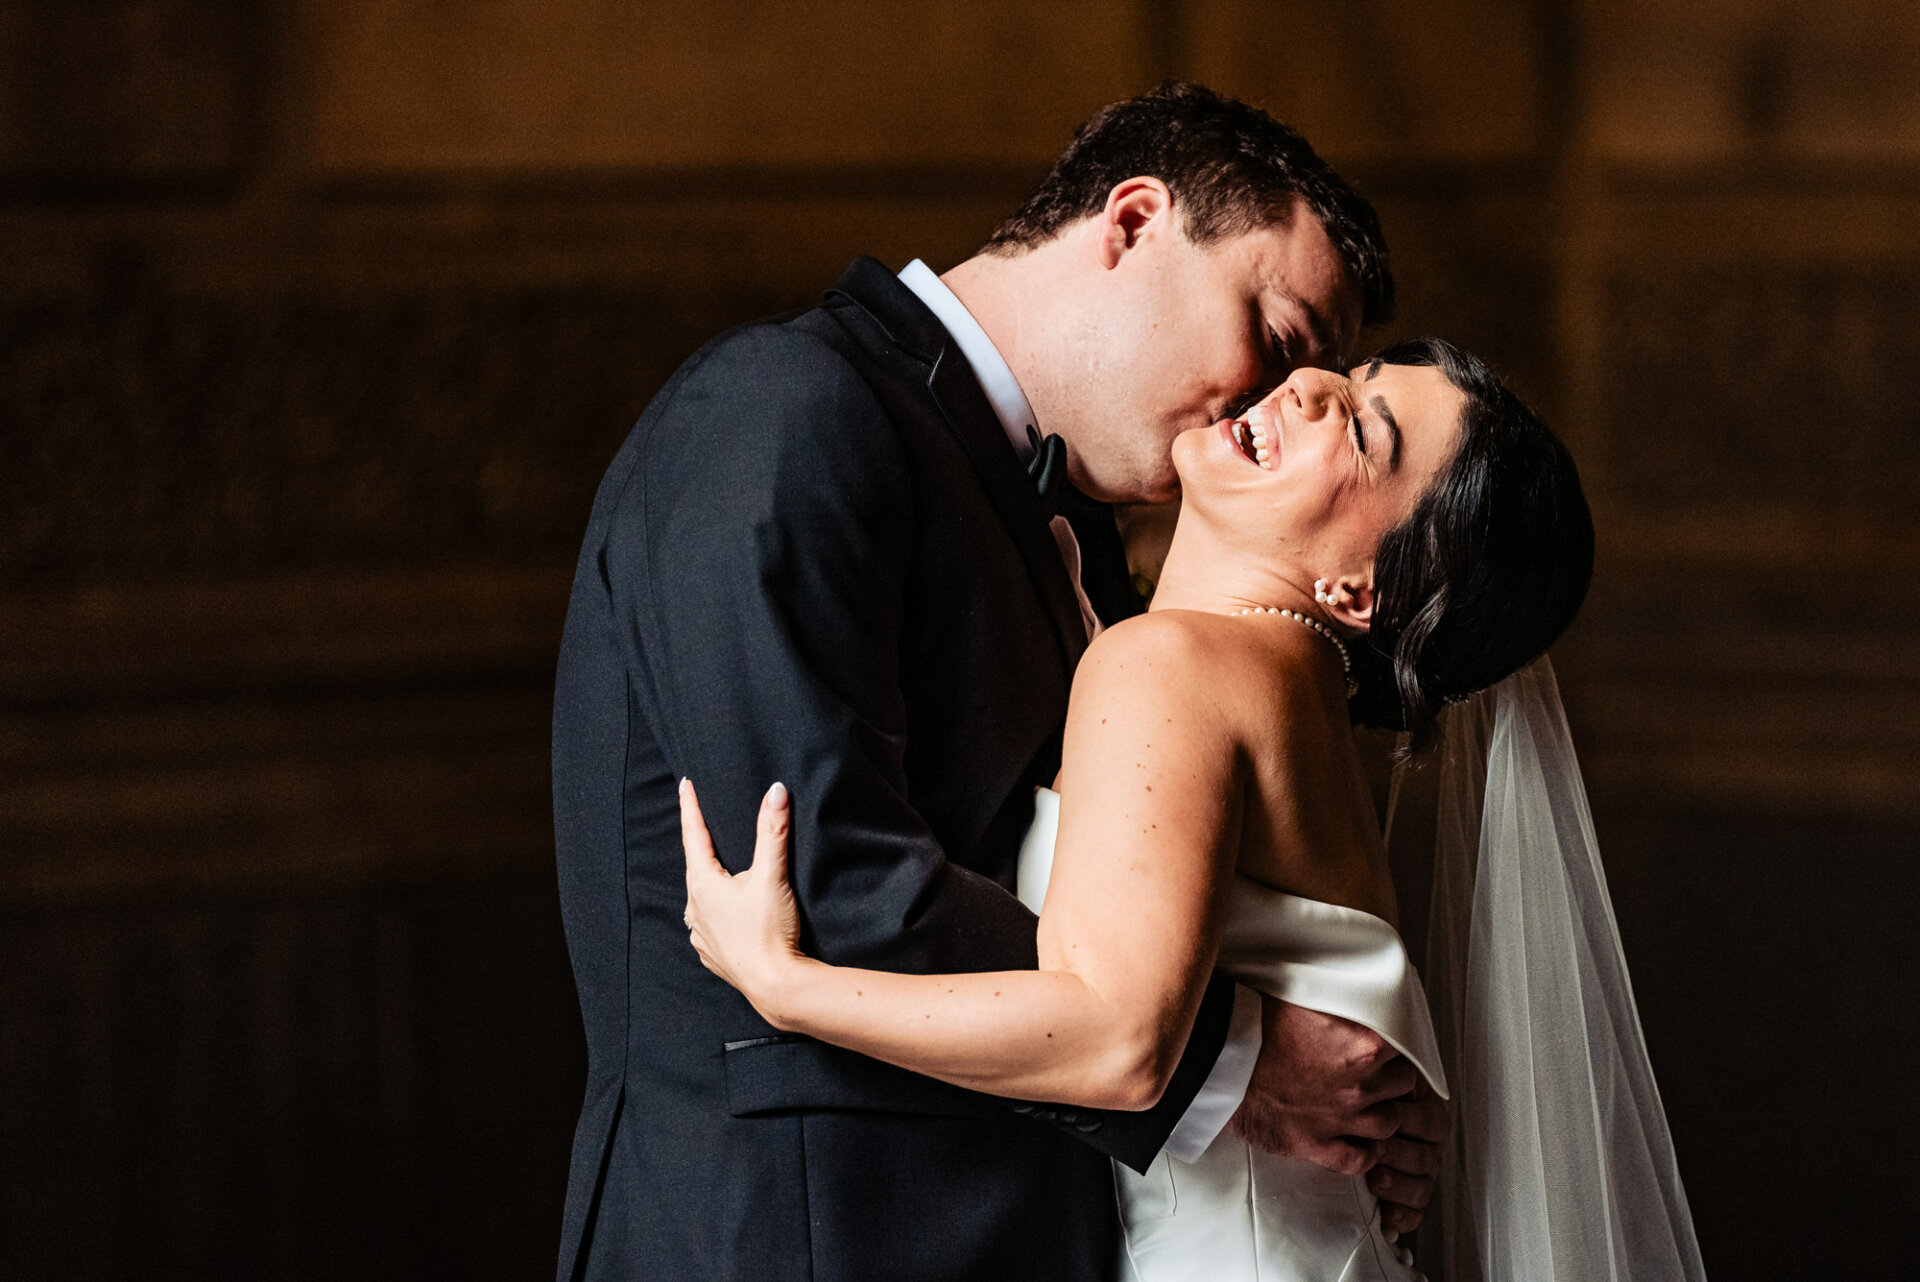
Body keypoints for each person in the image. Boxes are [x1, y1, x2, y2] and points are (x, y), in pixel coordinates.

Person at [551, 83, 1443, 1282]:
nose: (1268, 403)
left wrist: (1376, 1084)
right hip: (791, 1236)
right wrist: (1237, 1064)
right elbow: (830, 879)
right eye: (1276, 337)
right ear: (1131, 223)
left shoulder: (1086, 544)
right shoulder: (779, 411)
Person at [681, 341, 1703, 1279]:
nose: (1307, 386)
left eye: (1356, 428)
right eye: (1350, 377)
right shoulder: (1287, 701)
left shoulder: (1173, 665)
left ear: (1356, 591)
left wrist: (787, 986)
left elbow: (1122, 1045)